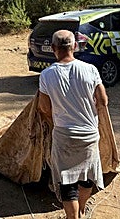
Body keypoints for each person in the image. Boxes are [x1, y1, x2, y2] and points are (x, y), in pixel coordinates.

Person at [37, 30, 108, 219]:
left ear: (53, 49)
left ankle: (73, 216)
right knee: (86, 175)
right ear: (75, 46)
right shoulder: (90, 69)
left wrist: (56, 121)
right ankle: (82, 208)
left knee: (66, 179)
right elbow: (103, 101)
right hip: (89, 135)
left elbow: (44, 107)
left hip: (64, 136)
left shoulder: (46, 75)